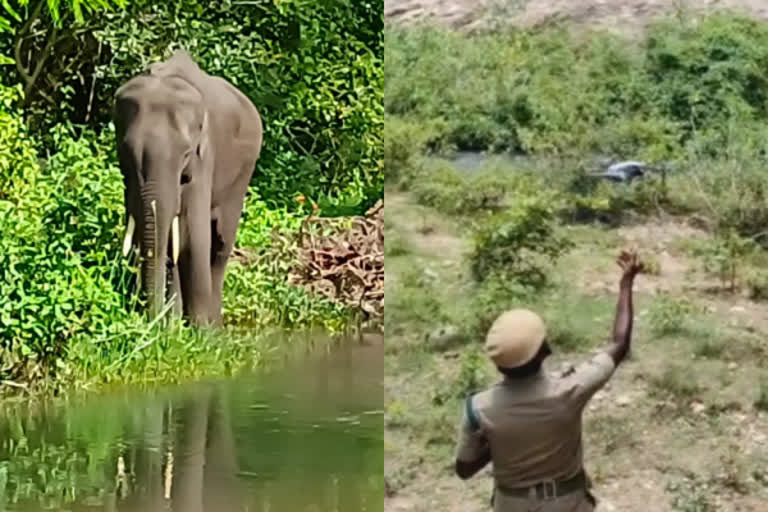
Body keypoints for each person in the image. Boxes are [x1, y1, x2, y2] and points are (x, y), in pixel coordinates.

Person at [454, 249, 644, 511]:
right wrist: (626, 282)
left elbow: (464, 469)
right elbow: (620, 344)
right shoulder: (569, 390)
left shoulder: (478, 408)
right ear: (544, 351)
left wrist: (501, 439)